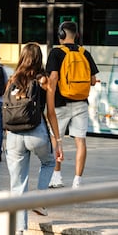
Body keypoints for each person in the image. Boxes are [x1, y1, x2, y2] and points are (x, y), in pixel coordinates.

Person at [5, 42, 64, 233]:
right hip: (36, 132)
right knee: (48, 163)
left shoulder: (12, 79)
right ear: (40, 59)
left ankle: (19, 230)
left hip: (13, 135)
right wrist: (58, 140)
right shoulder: (44, 80)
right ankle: (39, 200)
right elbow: (51, 113)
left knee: (18, 186)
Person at [46, 21, 99, 189]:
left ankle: (56, 176)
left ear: (61, 34)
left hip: (61, 103)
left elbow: (53, 78)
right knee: (80, 141)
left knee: (56, 139)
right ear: (76, 35)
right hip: (81, 103)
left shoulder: (56, 52)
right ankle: (77, 181)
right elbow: (91, 81)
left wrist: (50, 99)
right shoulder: (85, 53)